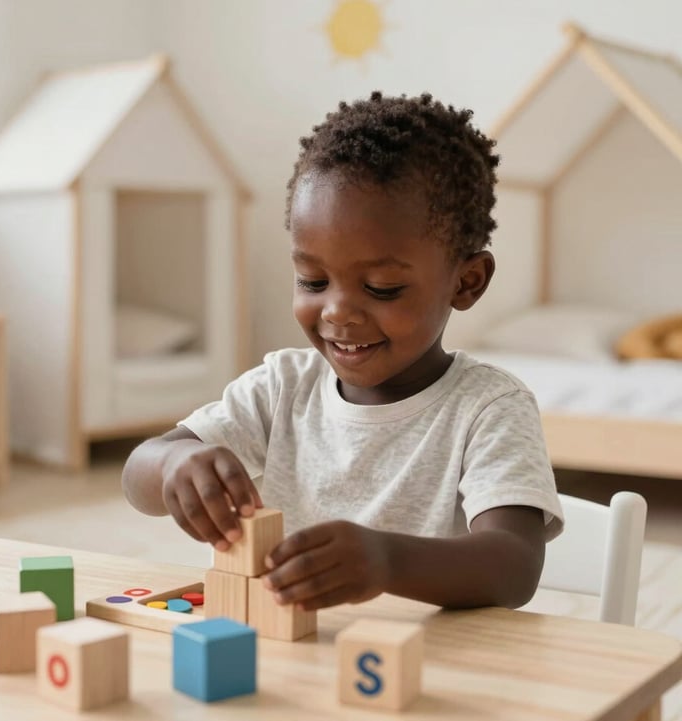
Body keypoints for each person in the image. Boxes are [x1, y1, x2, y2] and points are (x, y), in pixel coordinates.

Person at [122, 91, 563, 613]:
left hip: (428, 670)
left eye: (381, 288)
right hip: (297, 660)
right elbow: (136, 476)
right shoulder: (283, 387)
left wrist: (387, 560)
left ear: (466, 282)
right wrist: (175, 463)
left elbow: (512, 567)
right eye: (312, 280)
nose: (337, 312)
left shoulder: (489, 408)